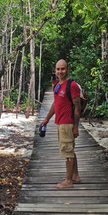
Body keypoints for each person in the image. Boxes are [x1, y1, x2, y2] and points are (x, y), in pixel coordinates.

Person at [41, 59, 81, 188]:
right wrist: (47, 119)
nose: (60, 72)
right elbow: (55, 103)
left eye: (62, 69)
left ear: (67, 69)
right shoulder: (58, 84)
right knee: (70, 150)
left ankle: (68, 181)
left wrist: (75, 127)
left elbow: (77, 107)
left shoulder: (72, 85)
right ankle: (75, 175)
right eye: (58, 69)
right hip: (59, 122)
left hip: (67, 123)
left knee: (67, 151)